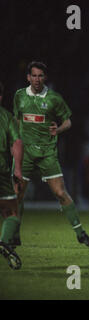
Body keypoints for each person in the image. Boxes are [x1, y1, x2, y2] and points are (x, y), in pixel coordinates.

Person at [13, 61, 89, 247]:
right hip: (25, 154)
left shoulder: (53, 98)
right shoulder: (19, 96)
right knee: (17, 195)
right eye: (33, 76)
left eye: (40, 76)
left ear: (45, 77)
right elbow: (17, 121)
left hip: (47, 153)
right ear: (28, 77)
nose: (36, 79)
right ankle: (14, 235)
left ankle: (81, 234)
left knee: (60, 193)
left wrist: (57, 130)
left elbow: (68, 122)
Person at [0, 81, 24, 269]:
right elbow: (16, 142)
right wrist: (17, 170)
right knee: (12, 213)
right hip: (1, 171)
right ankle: (4, 243)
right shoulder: (6, 117)